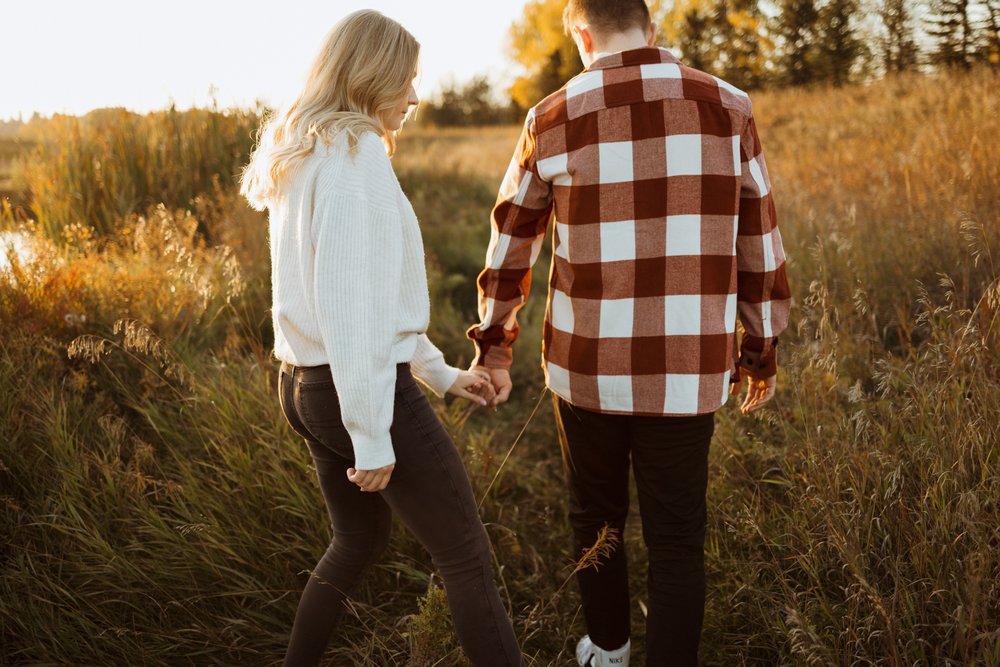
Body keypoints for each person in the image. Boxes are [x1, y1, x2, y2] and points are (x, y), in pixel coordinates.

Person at [467, 1, 792, 665]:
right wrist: (759, 350)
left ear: (582, 35)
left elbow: (511, 241)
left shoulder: (552, 117)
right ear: (652, 30)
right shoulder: (729, 106)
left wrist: (494, 344)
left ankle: (607, 651)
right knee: (677, 535)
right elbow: (759, 241)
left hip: (586, 370)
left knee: (597, 518)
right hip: (687, 367)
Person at [239, 10, 523, 667]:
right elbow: (350, 309)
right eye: (408, 79)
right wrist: (370, 430)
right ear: (370, 75)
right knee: (466, 554)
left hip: (305, 384)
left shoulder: (305, 147)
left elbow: (365, 296)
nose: (416, 97)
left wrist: (444, 373)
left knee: (356, 540)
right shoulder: (354, 153)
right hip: (355, 389)